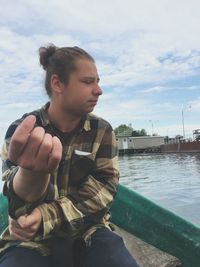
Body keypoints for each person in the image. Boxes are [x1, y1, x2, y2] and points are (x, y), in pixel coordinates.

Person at [0, 44, 139, 267]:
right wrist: (30, 175)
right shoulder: (21, 131)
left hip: (89, 231)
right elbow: (18, 210)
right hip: (31, 241)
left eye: (98, 81)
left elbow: (105, 187)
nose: (98, 90)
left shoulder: (102, 130)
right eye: (87, 81)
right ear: (57, 84)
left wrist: (47, 215)